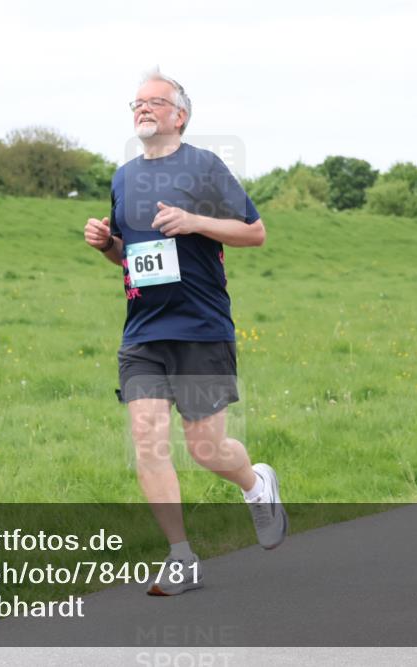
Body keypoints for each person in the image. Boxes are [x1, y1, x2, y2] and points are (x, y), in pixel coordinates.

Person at [83, 70, 288, 595]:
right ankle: (181, 557)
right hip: (143, 333)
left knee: (205, 448)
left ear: (181, 115)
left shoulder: (205, 166)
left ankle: (255, 483)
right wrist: (106, 242)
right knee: (147, 444)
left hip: (200, 327)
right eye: (138, 102)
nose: (144, 108)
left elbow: (255, 233)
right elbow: (127, 256)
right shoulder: (124, 176)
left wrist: (195, 221)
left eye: (156, 101)